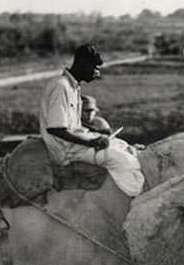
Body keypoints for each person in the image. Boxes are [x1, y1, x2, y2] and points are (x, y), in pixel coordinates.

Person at [39, 44, 144, 197]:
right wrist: (91, 142)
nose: (97, 72)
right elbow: (55, 128)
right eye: (95, 67)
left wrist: (97, 132)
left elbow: (72, 125)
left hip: (76, 144)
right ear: (84, 64)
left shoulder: (73, 87)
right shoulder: (61, 87)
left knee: (123, 145)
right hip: (67, 151)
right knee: (124, 161)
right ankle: (136, 199)